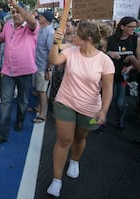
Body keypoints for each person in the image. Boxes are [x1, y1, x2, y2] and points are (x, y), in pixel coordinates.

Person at [46, 22, 114, 197]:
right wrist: (55, 43)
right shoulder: (70, 52)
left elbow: (107, 89)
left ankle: (75, 160)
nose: (73, 37)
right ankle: (56, 179)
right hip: (65, 102)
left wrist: (104, 111)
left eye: (77, 35)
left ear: (88, 39)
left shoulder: (105, 61)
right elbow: (53, 60)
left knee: (80, 137)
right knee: (64, 140)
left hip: (91, 108)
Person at [0, 0, 38, 146]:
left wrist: (17, 4)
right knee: (6, 102)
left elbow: (31, 20)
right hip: (8, 70)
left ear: (24, 13)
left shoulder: (31, 27)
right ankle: (2, 134)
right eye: (13, 12)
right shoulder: (8, 26)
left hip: (25, 71)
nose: (15, 14)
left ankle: (20, 119)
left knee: (23, 100)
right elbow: (2, 38)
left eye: (18, 12)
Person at [105, 16, 140, 130]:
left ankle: (120, 120)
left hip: (123, 76)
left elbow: (138, 61)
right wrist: (109, 53)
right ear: (122, 26)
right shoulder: (111, 39)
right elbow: (101, 54)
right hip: (108, 74)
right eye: (130, 27)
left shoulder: (136, 40)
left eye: (135, 27)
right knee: (105, 100)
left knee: (120, 103)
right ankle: (99, 122)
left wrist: (130, 67)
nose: (133, 29)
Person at [32, 10, 55, 123]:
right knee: (38, 89)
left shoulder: (50, 32)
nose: (39, 17)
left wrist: (48, 69)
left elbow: (51, 51)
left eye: (41, 16)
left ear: (45, 19)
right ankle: (38, 107)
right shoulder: (41, 29)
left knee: (42, 91)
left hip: (43, 66)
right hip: (37, 64)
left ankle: (42, 114)